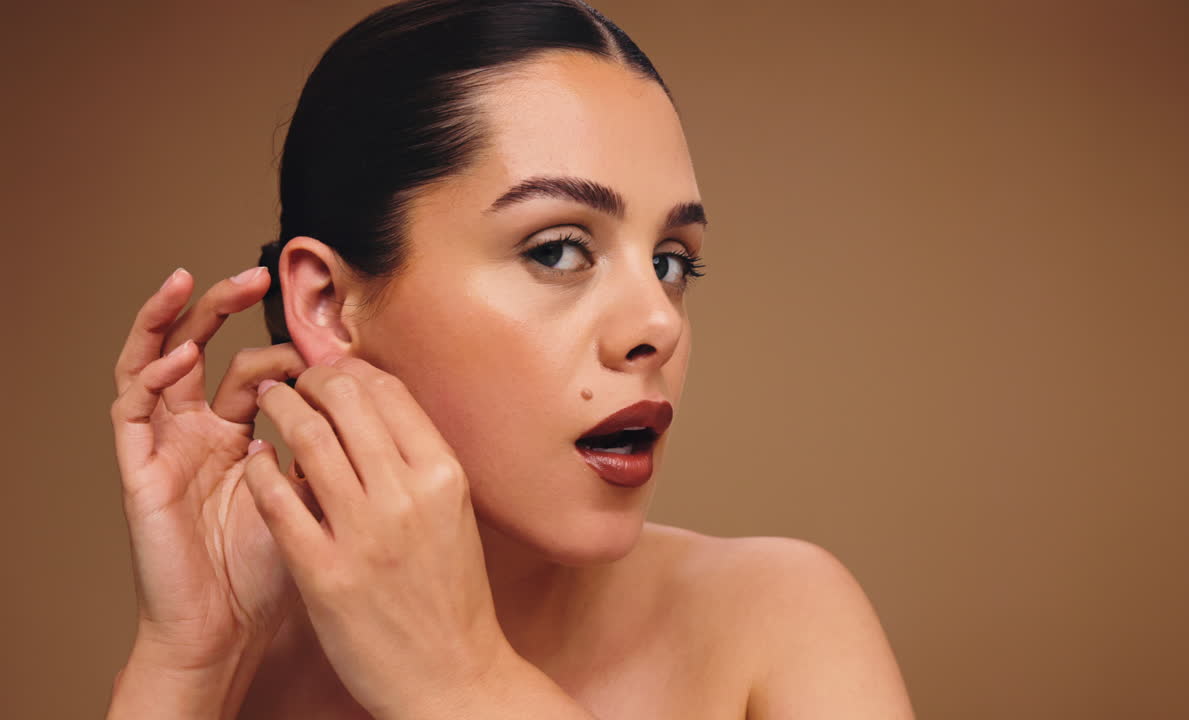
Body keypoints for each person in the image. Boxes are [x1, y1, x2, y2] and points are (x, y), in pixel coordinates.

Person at [105, 1, 914, 717]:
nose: (657, 324)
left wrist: (463, 684)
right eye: (559, 250)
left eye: (672, 260)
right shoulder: (244, 671)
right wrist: (190, 658)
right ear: (325, 305)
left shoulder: (777, 621)